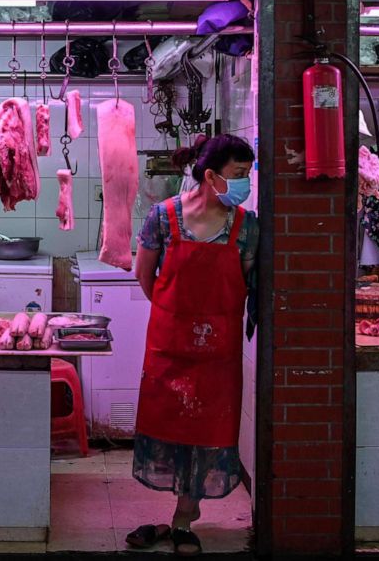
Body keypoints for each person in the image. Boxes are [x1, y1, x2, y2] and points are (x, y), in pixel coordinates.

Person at [126, 134, 258, 556]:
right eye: (239, 175)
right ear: (210, 175)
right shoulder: (162, 218)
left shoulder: (246, 226)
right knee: (168, 427)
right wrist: (171, 314)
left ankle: (185, 517)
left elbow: (250, 283)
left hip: (218, 354)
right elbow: (144, 276)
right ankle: (175, 512)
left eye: (247, 175)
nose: (245, 184)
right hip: (169, 346)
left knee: (209, 431)